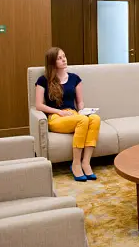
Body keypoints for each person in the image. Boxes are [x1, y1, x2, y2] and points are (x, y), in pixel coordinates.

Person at [35, 47, 100, 182]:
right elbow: (39, 105)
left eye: (64, 56)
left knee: (95, 119)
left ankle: (86, 162)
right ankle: (76, 164)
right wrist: (59, 112)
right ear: (52, 62)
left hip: (73, 114)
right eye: (59, 58)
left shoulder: (75, 78)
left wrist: (83, 111)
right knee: (82, 121)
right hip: (56, 117)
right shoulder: (43, 80)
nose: (64, 60)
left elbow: (80, 102)